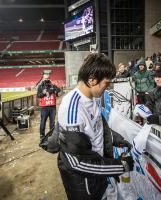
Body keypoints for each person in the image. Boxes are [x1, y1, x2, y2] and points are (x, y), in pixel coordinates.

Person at [57, 53, 134, 200]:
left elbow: (97, 128)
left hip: (97, 174)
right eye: (106, 83)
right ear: (92, 80)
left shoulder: (91, 98)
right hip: (84, 185)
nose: (108, 86)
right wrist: (120, 166)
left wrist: (115, 138)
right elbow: (77, 163)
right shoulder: (72, 110)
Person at [37, 76, 60, 143]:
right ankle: (42, 136)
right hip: (44, 107)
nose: (46, 80)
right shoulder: (40, 86)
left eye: (47, 78)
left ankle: (51, 135)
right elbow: (38, 95)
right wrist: (44, 93)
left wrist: (51, 91)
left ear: (49, 78)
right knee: (43, 122)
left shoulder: (52, 85)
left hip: (52, 107)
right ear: (43, 79)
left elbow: (59, 90)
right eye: (45, 78)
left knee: (52, 122)